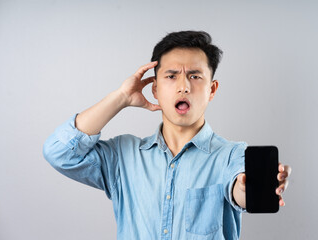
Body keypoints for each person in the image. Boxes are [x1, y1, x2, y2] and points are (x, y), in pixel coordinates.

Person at [43, 30, 292, 240]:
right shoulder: (123, 155)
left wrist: (249, 189)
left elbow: (241, 191)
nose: (184, 86)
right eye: (171, 76)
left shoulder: (232, 155)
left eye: (195, 76)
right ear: (155, 89)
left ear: (212, 89)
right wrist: (121, 98)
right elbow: (59, 152)